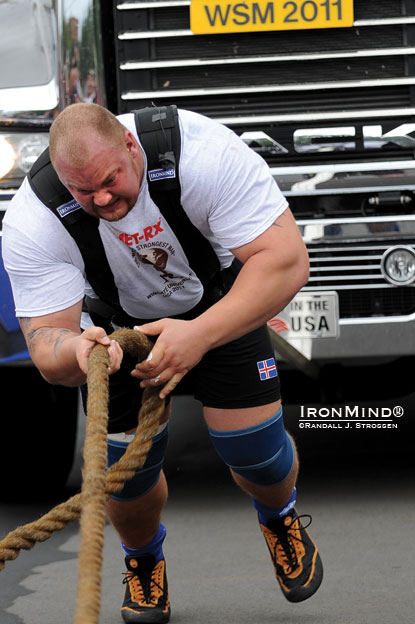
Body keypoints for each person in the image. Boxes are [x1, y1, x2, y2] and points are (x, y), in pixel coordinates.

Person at [2, 103, 323, 623]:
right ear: (63, 181)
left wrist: (197, 335)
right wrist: (78, 351)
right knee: (128, 484)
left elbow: (286, 261)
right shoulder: (35, 218)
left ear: (132, 148)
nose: (102, 199)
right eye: (85, 192)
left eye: (110, 181)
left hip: (219, 307)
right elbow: (47, 347)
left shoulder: (203, 153)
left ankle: (280, 517)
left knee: (256, 454)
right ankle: (144, 560)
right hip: (114, 332)